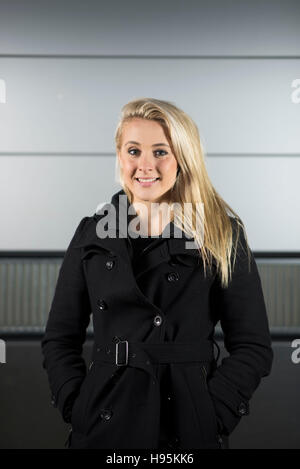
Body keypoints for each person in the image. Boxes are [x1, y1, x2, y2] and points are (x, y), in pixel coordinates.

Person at [41, 97, 273, 449]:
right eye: (133, 151)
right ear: (120, 156)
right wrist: (76, 405)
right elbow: (60, 336)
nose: (145, 165)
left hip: (185, 424)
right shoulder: (91, 232)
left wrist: (212, 414)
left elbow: (253, 345)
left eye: (160, 152)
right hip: (103, 421)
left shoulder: (221, 233)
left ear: (182, 158)